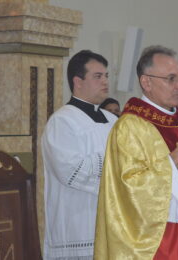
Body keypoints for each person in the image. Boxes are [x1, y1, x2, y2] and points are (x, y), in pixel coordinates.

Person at [94, 45, 178, 260]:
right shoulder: (130, 126)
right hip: (163, 243)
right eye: (171, 79)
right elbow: (130, 192)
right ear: (146, 82)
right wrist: (177, 156)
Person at [41, 50, 117, 260]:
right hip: (77, 226)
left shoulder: (114, 121)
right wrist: (116, 165)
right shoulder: (62, 121)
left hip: (113, 225)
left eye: (106, 76)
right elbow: (71, 171)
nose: (105, 82)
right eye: (98, 76)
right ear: (78, 81)